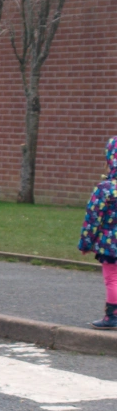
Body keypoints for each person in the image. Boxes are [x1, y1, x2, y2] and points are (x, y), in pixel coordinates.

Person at [80, 137, 117, 329]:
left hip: (111, 245)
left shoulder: (106, 189)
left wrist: (86, 243)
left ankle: (113, 315)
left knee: (112, 278)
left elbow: (93, 219)